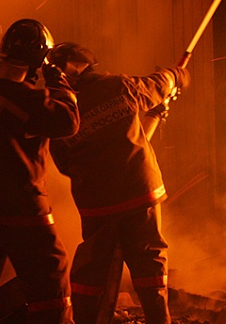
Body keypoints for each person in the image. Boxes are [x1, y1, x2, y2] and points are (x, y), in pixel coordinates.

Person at [46, 42, 189, 324]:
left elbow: (63, 164)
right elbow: (159, 84)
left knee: (92, 269)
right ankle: (159, 320)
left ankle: (86, 319)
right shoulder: (118, 86)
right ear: (86, 64)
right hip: (139, 192)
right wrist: (176, 76)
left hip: (97, 204)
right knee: (149, 262)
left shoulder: (58, 111)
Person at [0, 18, 80, 324]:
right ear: (37, 59)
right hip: (20, 206)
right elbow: (67, 121)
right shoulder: (22, 97)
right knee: (52, 272)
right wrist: (58, 81)